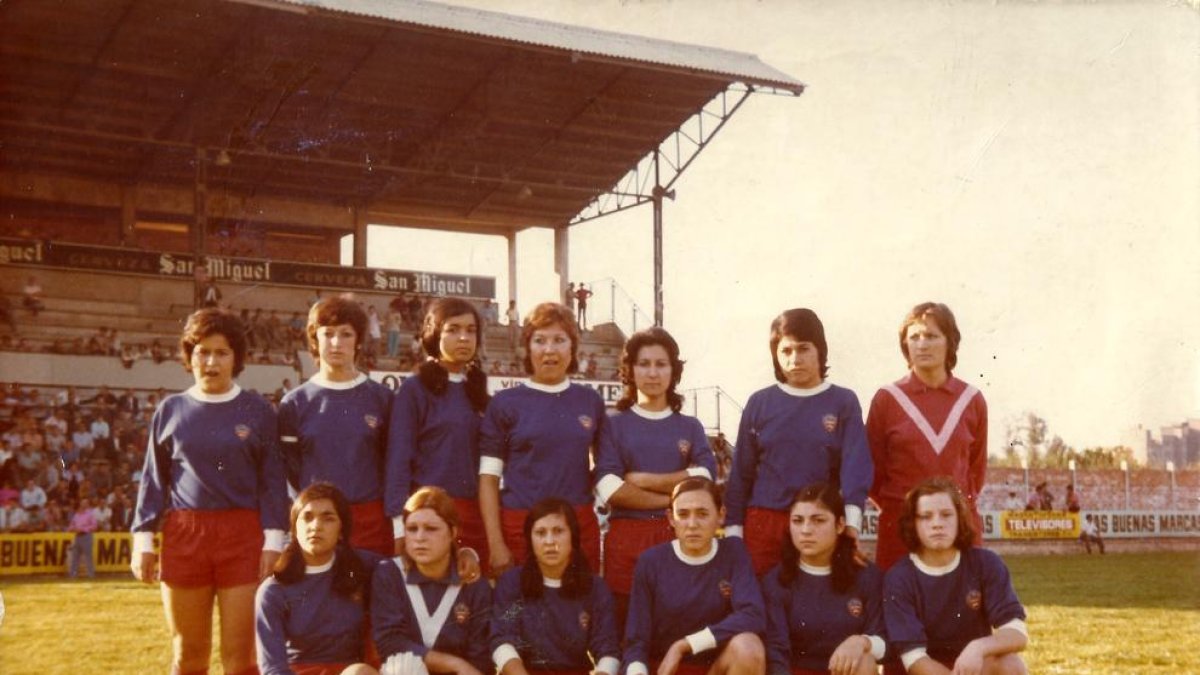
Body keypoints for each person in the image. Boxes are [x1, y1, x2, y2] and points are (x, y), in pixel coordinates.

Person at [131, 308, 288, 675]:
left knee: (242, 658)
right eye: (202, 351)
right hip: (186, 535)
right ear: (189, 356)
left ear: (236, 358)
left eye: (222, 352)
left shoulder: (258, 410)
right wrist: (143, 542)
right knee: (188, 656)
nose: (212, 361)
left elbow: (272, 480)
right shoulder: (171, 410)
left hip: (242, 536)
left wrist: (273, 540)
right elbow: (153, 480)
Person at [724, 308, 872, 575]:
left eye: (803, 349)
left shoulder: (842, 402)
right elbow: (741, 475)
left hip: (818, 522)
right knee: (761, 605)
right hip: (765, 523)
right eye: (786, 351)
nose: (795, 359)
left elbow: (855, 466)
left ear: (820, 350)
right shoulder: (760, 403)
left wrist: (851, 523)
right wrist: (734, 533)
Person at [595, 327, 716, 625]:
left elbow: (704, 478)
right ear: (630, 370)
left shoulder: (689, 426)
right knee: (626, 632)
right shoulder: (613, 424)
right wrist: (671, 498)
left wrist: (646, 480)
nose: (652, 372)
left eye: (661, 364)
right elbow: (610, 487)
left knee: (675, 628)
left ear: (673, 371)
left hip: (674, 536)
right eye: (644, 364)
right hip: (626, 539)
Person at [479, 302, 605, 576]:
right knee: (517, 609)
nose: (549, 350)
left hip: (578, 525)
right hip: (520, 524)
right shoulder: (504, 403)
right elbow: (488, 479)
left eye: (559, 340)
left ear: (572, 348)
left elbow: (606, 469)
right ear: (528, 348)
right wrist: (496, 543)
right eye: (540, 341)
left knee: (578, 608)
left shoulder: (590, 402)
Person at [867, 302, 988, 571]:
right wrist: (906, 507)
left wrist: (950, 507)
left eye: (932, 336)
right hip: (900, 525)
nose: (922, 344)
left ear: (950, 342)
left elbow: (975, 472)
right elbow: (873, 475)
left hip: (956, 522)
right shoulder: (887, 398)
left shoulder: (972, 399)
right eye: (914, 337)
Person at [280, 297, 394, 555]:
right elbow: (290, 468)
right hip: (317, 521)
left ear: (358, 341)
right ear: (314, 340)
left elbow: (392, 464)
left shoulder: (381, 398)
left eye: (345, 334)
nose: (336, 343)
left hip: (371, 521)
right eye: (328, 334)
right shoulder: (295, 403)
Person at [883, 478, 1028, 674]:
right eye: (926, 516)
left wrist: (978, 647)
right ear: (913, 523)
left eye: (946, 515)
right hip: (925, 672)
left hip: (971, 666)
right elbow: (914, 659)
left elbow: (1017, 634)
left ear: (959, 518)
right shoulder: (899, 577)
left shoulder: (985, 563)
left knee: (1011, 665)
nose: (937, 524)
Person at [623, 477, 765, 675]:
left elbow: (753, 614)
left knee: (748, 647)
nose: (692, 524)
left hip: (714, 668)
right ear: (671, 518)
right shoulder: (651, 561)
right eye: (683, 514)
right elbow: (636, 639)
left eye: (702, 514)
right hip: (666, 669)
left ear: (721, 515)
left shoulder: (733, 552)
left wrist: (684, 645)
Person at [388, 298, 491, 559]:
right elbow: (398, 459)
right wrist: (400, 527)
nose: (464, 338)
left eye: (470, 330)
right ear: (435, 334)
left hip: (475, 514)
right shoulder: (415, 389)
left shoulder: (478, 390)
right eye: (453, 330)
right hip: (428, 513)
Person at [256, 482, 382, 675]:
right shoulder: (273, 590)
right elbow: (273, 668)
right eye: (306, 518)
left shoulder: (365, 568)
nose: (315, 526)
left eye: (328, 518)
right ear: (294, 529)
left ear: (342, 531)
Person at [762, 483, 885, 675]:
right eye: (797, 520)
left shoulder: (867, 576)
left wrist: (862, 642)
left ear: (840, 525)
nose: (806, 530)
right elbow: (776, 652)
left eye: (818, 520)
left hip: (845, 671)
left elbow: (884, 639)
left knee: (865, 659)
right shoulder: (776, 580)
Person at [491, 498, 621, 675]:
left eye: (558, 531)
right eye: (540, 533)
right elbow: (502, 638)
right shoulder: (513, 583)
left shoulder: (595, 588)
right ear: (530, 539)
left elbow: (609, 651)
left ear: (573, 536)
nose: (549, 541)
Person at [372, 486, 492, 675]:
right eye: (412, 529)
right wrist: (455, 664)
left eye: (431, 529)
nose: (420, 538)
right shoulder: (390, 573)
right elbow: (390, 643)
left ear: (453, 532)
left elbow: (479, 658)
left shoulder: (473, 582)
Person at [67, 497, 98, 578]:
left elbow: (94, 526)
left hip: (86, 536)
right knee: (75, 556)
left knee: (88, 557)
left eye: (86, 503)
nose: (84, 504)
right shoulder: (76, 514)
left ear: (88, 504)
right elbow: (71, 524)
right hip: (77, 537)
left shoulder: (90, 514)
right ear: (80, 503)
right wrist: (72, 529)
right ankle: (73, 574)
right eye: (83, 502)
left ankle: (91, 575)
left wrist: (83, 529)